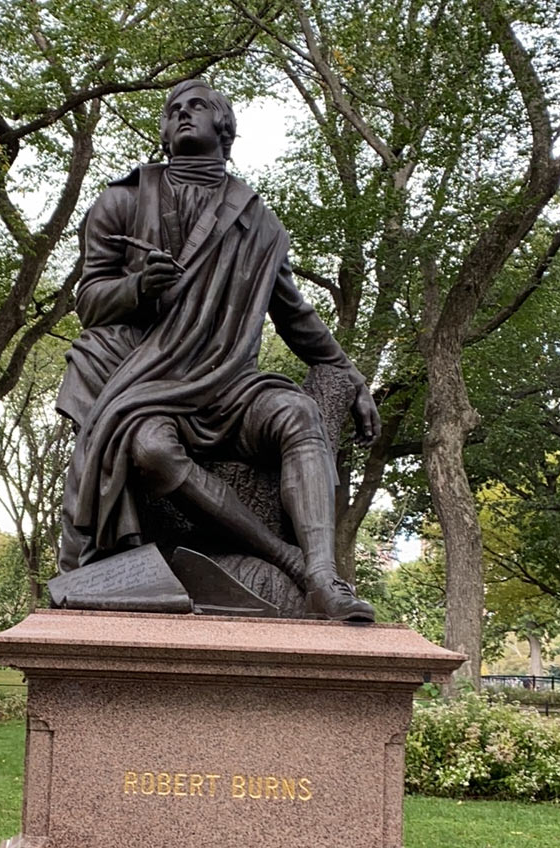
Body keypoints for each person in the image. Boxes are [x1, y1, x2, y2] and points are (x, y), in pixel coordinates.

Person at [57, 80, 381, 620]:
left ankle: (324, 578)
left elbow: (294, 314)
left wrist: (346, 371)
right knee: (152, 450)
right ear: (163, 132)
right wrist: (138, 288)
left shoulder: (258, 222)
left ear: (224, 128)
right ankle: (288, 560)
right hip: (147, 381)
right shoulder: (122, 202)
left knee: (298, 414)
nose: (183, 114)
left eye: (197, 106)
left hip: (229, 382)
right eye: (172, 110)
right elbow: (89, 301)